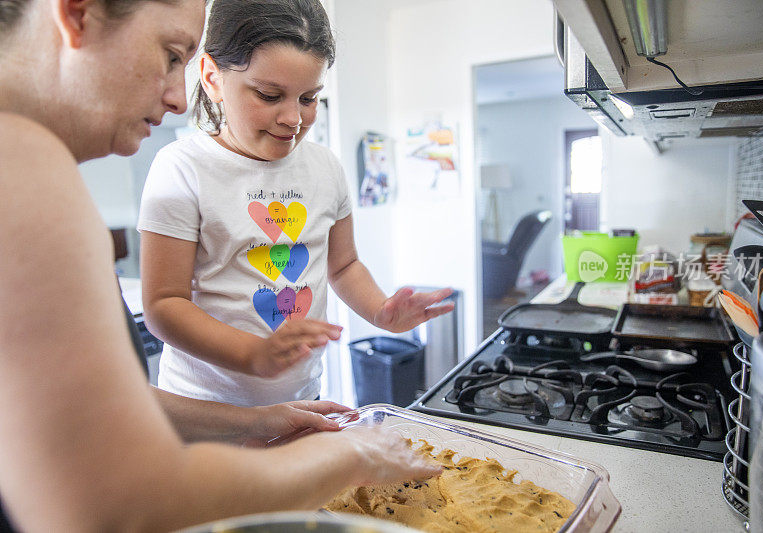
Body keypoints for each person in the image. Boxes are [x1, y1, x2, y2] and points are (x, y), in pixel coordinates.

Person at [0, 0, 441, 530]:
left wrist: (261, 420)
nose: (174, 96)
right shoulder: (28, 172)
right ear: (78, 14)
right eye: (169, 55)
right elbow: (117, 504)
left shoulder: (29, 166)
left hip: (277, 409)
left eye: (309, 98)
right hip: (209, 411)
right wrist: (352, 455)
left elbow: (95, 413)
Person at [138, 0, 454, 407]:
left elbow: (343, 265)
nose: (293, 118)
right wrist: (251, 354)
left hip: (303, 399)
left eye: (309, 98)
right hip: (206, 412)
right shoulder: (182, 169)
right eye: (270, 95)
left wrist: (380, 311)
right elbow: (164, 305)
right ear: (212, 76)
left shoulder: (325, 167)